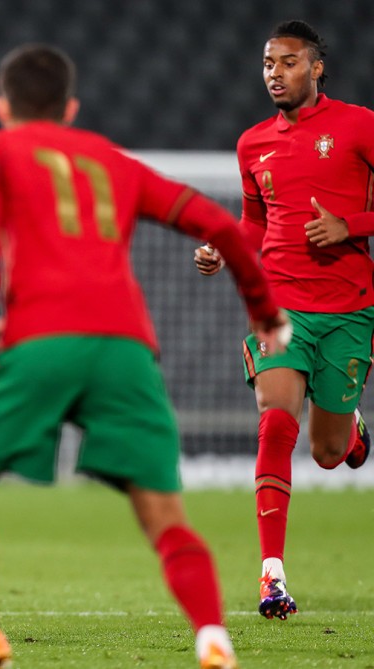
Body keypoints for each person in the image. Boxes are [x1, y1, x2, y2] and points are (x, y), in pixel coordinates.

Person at [0, 43, 290, 669]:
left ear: (1, 105)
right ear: (69, 108)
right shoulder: (112, 162)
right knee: (165, 519)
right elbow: (225, 228)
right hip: (125, 349)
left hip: (42, 339)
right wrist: (263, 311)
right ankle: (214, 640)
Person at [194, 20, 374, 621]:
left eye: (289, 62)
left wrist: (352, 225)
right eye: (269, 63)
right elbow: (253, 220)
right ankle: (272, 575)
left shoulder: (359, 126)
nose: (276, 73)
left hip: (349, 306)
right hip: (278, 302)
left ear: (316, 68)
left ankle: (350, 432)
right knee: (275, 421)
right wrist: (224, 247)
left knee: (327, 453)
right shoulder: (252, 143)